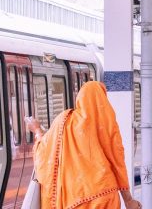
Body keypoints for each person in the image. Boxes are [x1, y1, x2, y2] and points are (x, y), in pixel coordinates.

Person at [29, 81, 141, 209]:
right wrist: (128, 200)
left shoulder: (63, 122)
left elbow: (43, 155)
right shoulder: (108, 125)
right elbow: (117, 162)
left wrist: (37, 130)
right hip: (105, 196)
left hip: (73, 200)